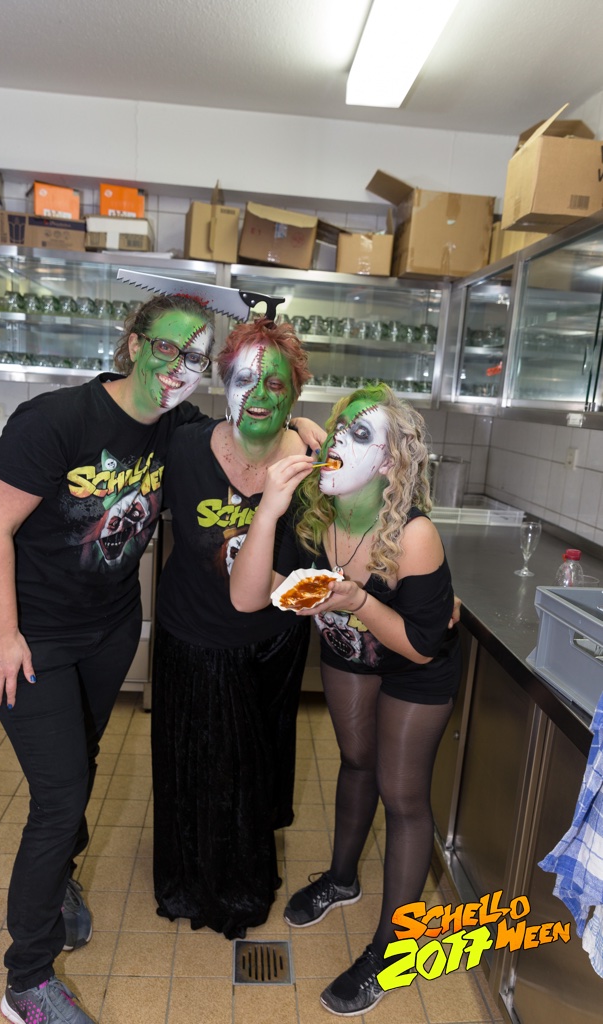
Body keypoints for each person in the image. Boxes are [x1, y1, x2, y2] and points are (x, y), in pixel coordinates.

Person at [0, 292, 219, 1024]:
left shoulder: (177, 427)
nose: (178, 367)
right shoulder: (55, 420)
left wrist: (300, 425)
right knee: (59, 799)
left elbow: (244, 439)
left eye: (196, 356)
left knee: (80, 761)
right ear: (135, 343)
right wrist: (4, 634)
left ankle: (58, 882)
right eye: (167, 347)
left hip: (108, 631)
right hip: (34, 638)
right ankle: (27, 981)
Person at [230, 382, 462, 1016]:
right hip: (349, 651)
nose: (337, 443)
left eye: (359, 436)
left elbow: (421, 646)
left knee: (402, 794)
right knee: (356, 761)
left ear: (389, 462)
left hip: (415, 668)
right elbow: (252, 594)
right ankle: (341, 879)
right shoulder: (315, 517)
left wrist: (356, 600)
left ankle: (391, 950)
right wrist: (265, 514)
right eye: (338, 430)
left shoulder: (414, 535)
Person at [151, 316, 316, 939]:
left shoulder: (310, 465)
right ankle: (186, 881)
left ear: (294, 392)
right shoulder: (184, 446)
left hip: (270, 647)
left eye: (276, 384)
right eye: (246, 379)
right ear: (224, 383)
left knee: (251, 775)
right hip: (191, 638)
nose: (259, 395)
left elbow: (365, 519)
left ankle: (243, 884)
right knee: (192, 771)